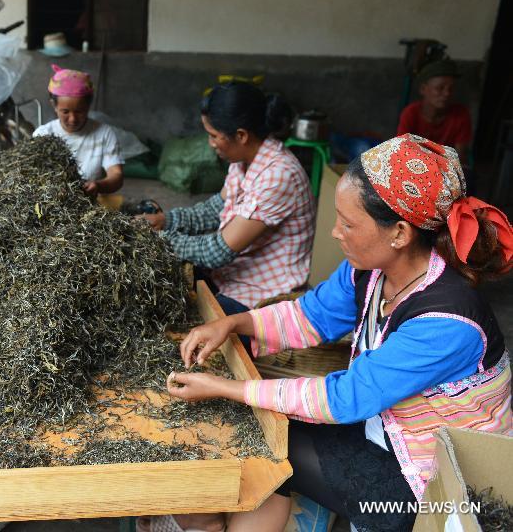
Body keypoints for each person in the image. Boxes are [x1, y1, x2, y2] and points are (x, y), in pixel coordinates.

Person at [146, 135, 513, 532]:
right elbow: (309, 316)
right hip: (383, 432)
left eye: (348, 223)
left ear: (400, 233)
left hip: (430, 487)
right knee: (265, 438)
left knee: (265, 446)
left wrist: (224, 387)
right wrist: (235, 323)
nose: (335, 233)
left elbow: (344, 398)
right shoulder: (371, 271)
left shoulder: (447, 323)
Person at [138, 82, 314, 314]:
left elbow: (217, 251)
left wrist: (160, 239)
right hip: (232, 275)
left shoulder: (279, 176)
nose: (210, 144)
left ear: (241, 135)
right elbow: (213, 210)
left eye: (213, 136)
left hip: (261, 294)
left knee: (178, 316)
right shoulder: (243, 161)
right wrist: (166, 220)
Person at [32, 65, 125, 196]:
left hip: (89, 200)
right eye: (65, 112)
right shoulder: (42, 134)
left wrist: (98, 185)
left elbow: (116, 175)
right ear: (54, 105)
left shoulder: (104, 134)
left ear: (88, 106)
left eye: (79, 111)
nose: (72, 119)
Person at [397, 59, 472, 161]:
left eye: (451, 89)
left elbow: (458, 159)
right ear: (423, 89)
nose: (447, 94)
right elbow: (402, 152)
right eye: (440, 88)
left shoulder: (460, 115)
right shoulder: (410, 113)